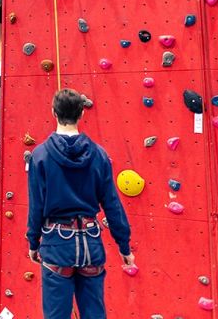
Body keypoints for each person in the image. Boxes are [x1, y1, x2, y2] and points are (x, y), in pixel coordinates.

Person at [26, 89, 134, 319]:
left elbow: (36, 206)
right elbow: (112, 204)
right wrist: (124, 246)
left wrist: (33, 242)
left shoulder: (40, 156)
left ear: (54, 112)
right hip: (90, 246)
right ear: (82, 114)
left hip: (57, 246)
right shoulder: (99, 155)